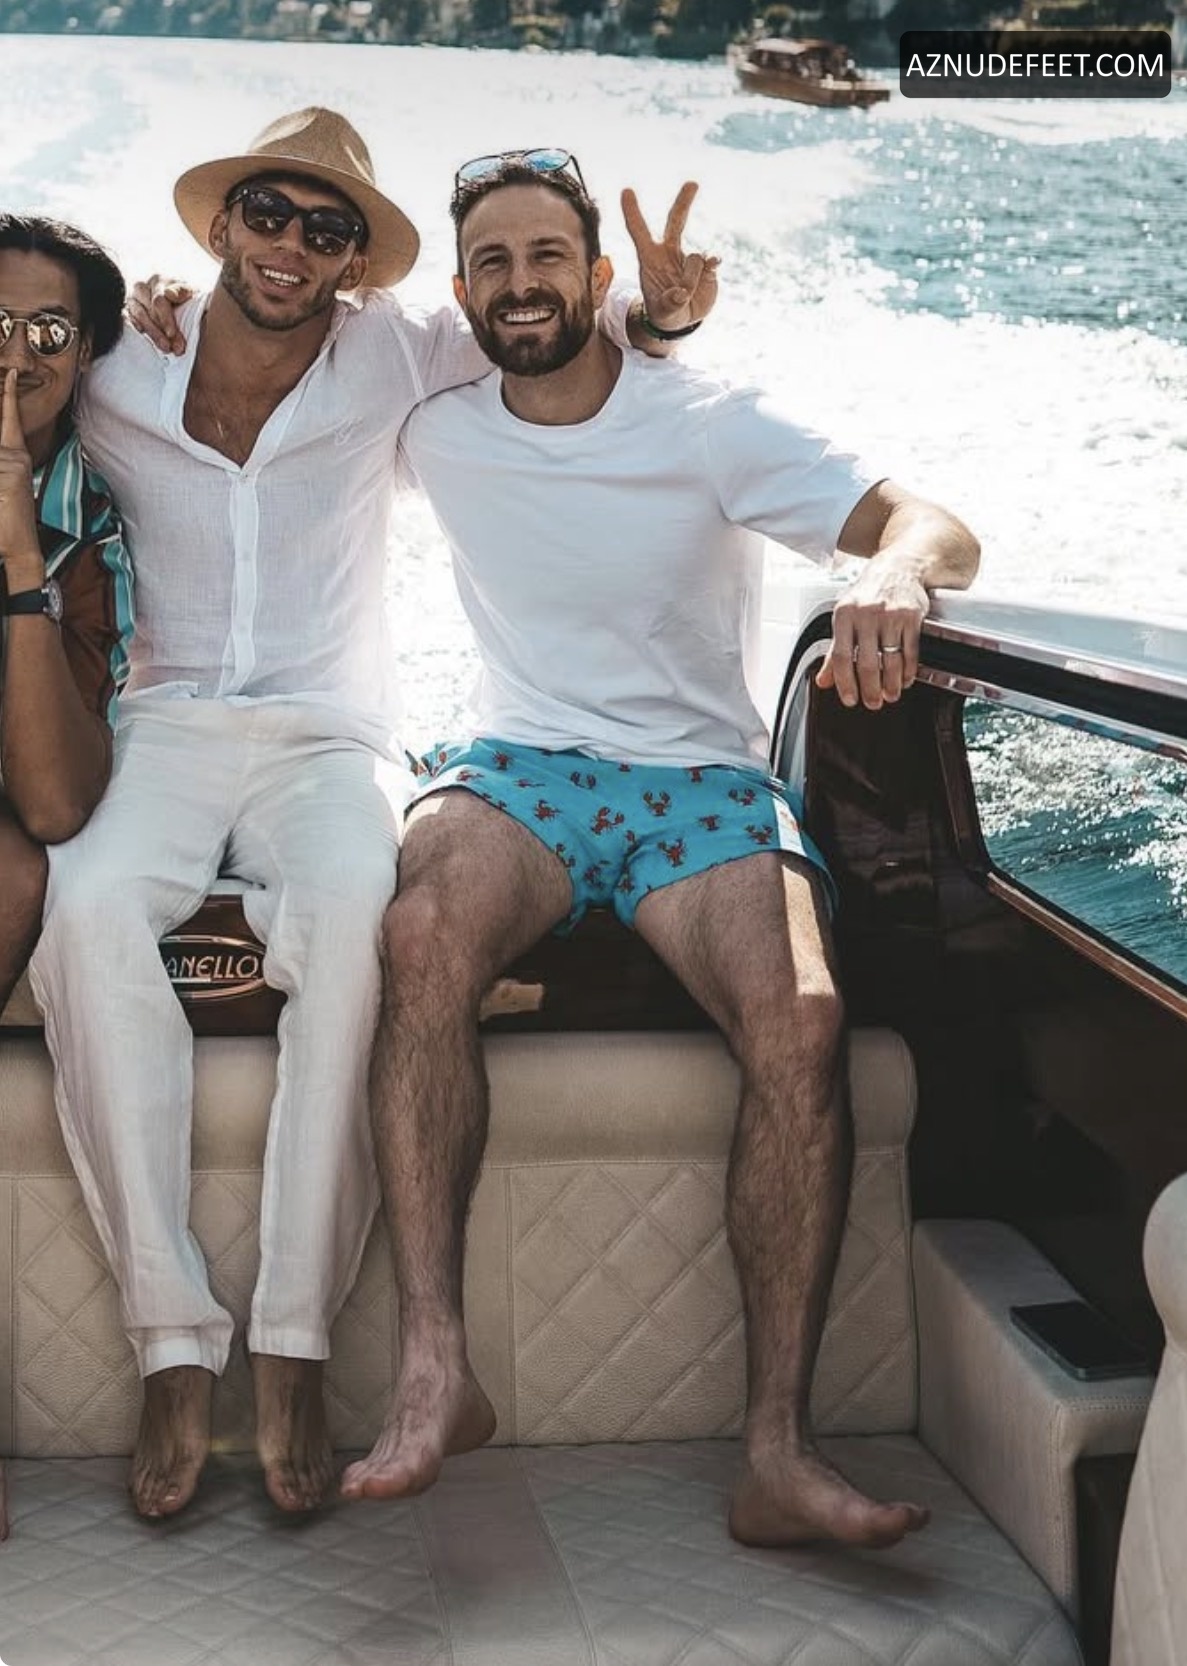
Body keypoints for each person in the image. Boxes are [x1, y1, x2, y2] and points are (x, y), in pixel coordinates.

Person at [30, 111, 717, 1523]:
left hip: (330, 737)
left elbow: (551, 330)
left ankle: (291, 1343)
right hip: (159, 723)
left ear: (357, 262)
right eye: (269, 215)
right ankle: (172, 1344)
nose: (293, 245)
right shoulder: (121, 359)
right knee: (81, 908)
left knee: (358, 922)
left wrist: (658, 314)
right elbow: (23, 387)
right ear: (220, 227)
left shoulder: (399, 351)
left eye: (329, 229)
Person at [339, 152, 980, 1550]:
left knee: (803, 1012)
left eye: (546, 256)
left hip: (697, 779)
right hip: (520, 768)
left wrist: (886, 572)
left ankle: (777, 1452)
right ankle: (437, 1369)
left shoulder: (710, 421)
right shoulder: (435, 423)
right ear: (462, 290)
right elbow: (278, 382)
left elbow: (936, 526)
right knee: (416, 933)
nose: (520, 283)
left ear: (597, 277)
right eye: (493, 261)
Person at [0, 215, 134, 1543]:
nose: (15, 355)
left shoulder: (90, 519)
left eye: (46, 330)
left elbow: (53, 799)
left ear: (86, 353)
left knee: (13, 873)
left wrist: (14, 554)